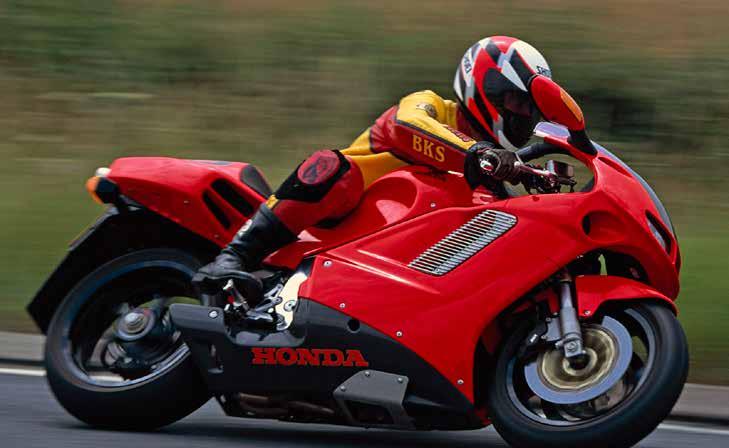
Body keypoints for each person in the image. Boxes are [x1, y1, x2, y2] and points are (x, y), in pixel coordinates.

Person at [194, 35, 552, 291]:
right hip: (338, 223)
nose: (523, 115)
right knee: (331, 167)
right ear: (485, 88)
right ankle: (235, 256)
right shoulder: (429, 106)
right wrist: (479, 152)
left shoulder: (489, 171)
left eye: (529, 109)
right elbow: (408, 122)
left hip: (393, 264)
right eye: (516, 102)